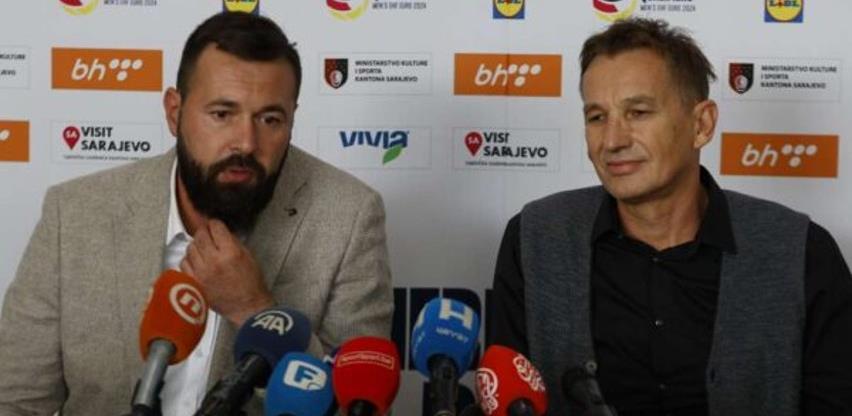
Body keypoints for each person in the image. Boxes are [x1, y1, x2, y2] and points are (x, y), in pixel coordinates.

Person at [0, 12, 393, 415]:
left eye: (270, 119)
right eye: (222, 114)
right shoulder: (75, 214)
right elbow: (14, 401)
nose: (246, 142)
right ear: (175, 112)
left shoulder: (348, 218)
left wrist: (255, 309)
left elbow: (359, 407)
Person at [489, 18, 852, 416]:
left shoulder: (801, 252)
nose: (612, 140)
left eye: (638, 112)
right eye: (597, 117)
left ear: (701, 124)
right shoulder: (535, 239)